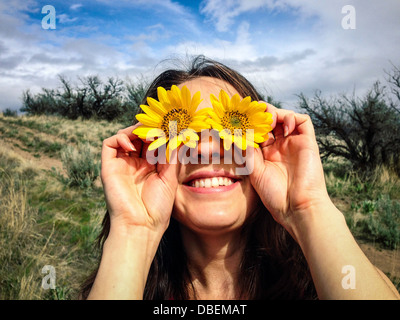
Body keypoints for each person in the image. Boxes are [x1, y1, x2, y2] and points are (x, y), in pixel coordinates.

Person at [80, 56, 400, 300]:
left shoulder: (328, 281)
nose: (205, 149)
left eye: (232, 129)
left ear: (266, 146)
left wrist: (308, 209)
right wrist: (133, 233)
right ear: (148, 157)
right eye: (179, 131)